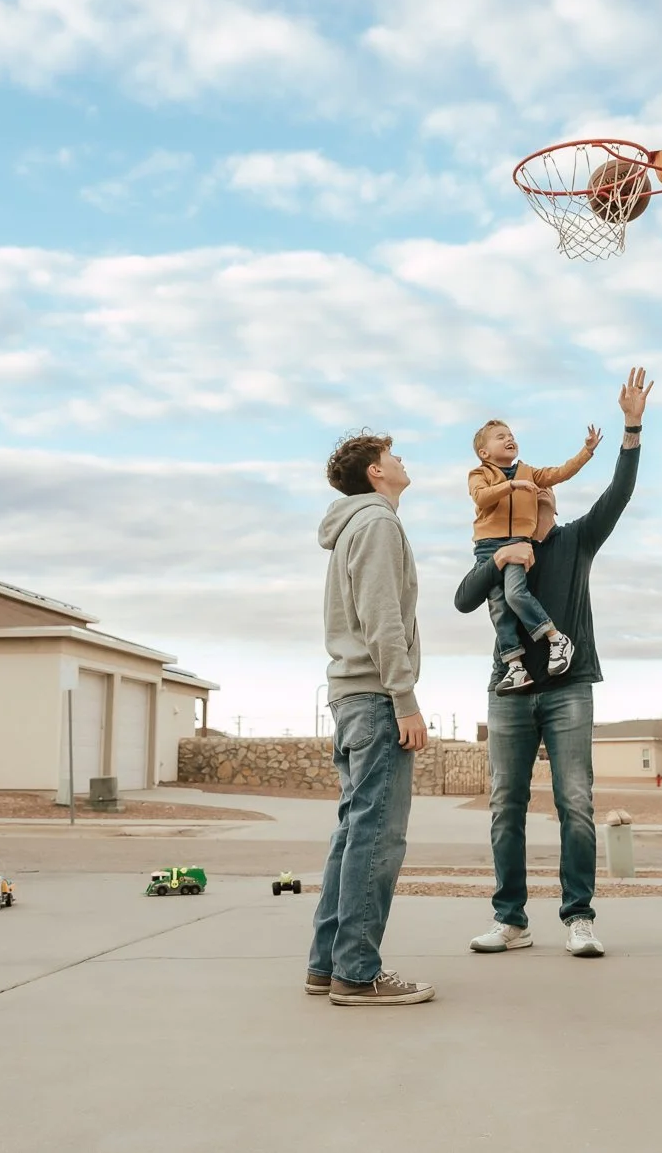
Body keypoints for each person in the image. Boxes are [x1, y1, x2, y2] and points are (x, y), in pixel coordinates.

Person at [455, 367, 652, 960]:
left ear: (551, 505)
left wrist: (631, 426)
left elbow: (619, 492)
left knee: (576, 804)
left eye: (544, 496)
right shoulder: (500, 552)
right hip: (509, 692)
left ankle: (579, 917)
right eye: (528, 495)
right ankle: (510, 919)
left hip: (570, 689)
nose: (536, 499)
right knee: (504, 806)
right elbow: (464, 599)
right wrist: (500, 559)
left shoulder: (576, 540)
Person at [307, 430, 434, 1006]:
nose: (402, 459)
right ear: (376, 473)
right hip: (376, 697)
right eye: (394, 455)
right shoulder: (379, 524)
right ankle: (356, 972)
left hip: (349, 696)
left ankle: (325, 964)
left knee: (353, 831)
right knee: (378, 836)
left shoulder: (351, 527)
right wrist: (404, 700)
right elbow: (382, 619)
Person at [466, 418, 599, 692]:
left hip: (517, 543)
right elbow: (481, 498)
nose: (508, 438)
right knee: (499, 608)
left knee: (515, 594)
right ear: (484, 453)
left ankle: (556, 638)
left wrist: (586, 452)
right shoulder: (479, 474)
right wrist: (510, 487)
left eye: (511, 434)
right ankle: (515, 665)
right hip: (488, 547)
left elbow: (560, 473)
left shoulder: (529, 473)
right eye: (500, 436)